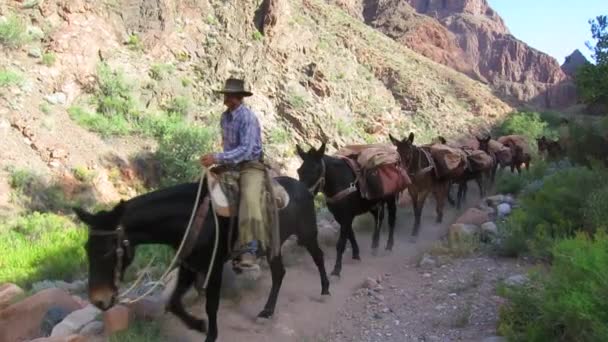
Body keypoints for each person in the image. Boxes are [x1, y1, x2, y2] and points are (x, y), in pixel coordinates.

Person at [200, 78, 265, 270]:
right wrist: (219, 162)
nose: (225, 98)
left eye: (229, 95)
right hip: (231, 163)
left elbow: (245, 150)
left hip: (250, 164)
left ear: (238, 98)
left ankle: (249, 248)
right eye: (225, 95)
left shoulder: (248, 118)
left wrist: (217, 158)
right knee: (204, 186)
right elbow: (228, 146)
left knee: (249, 197)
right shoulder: (224, 117)